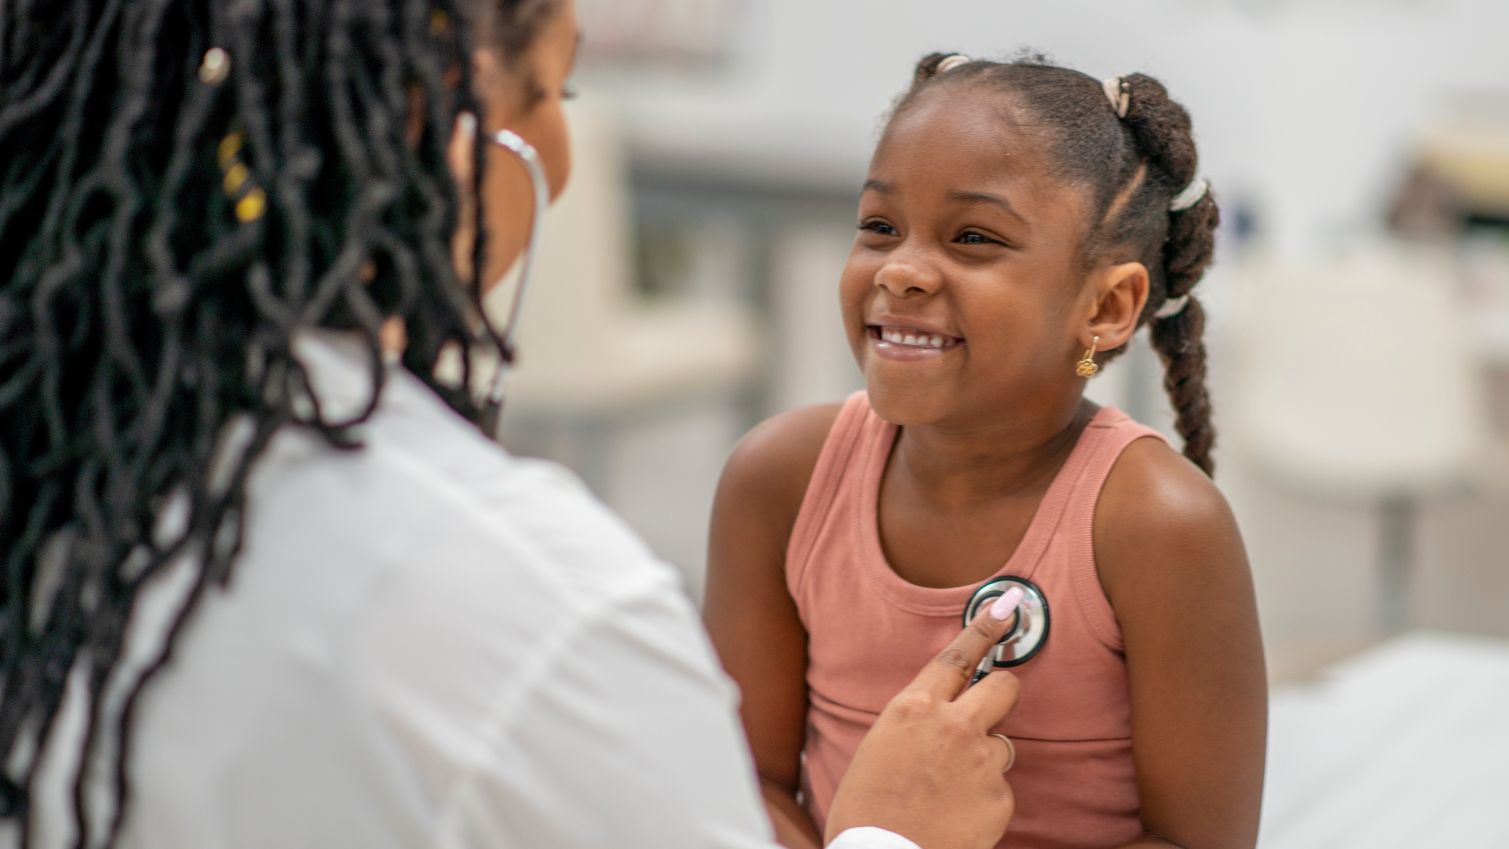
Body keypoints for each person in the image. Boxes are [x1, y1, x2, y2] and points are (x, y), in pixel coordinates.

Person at [0, 4, 1024, 848]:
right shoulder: (544, 613)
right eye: (551, 93)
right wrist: (897, 835)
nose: (563, 149)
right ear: (438, 132)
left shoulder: (58, 459)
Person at [705, 53, 1268, 849]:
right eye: (878, 226)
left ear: (1106, 307)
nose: (898, 270)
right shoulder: (778, 480)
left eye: (972, 237)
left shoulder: (1157, 525)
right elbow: (740, 782)